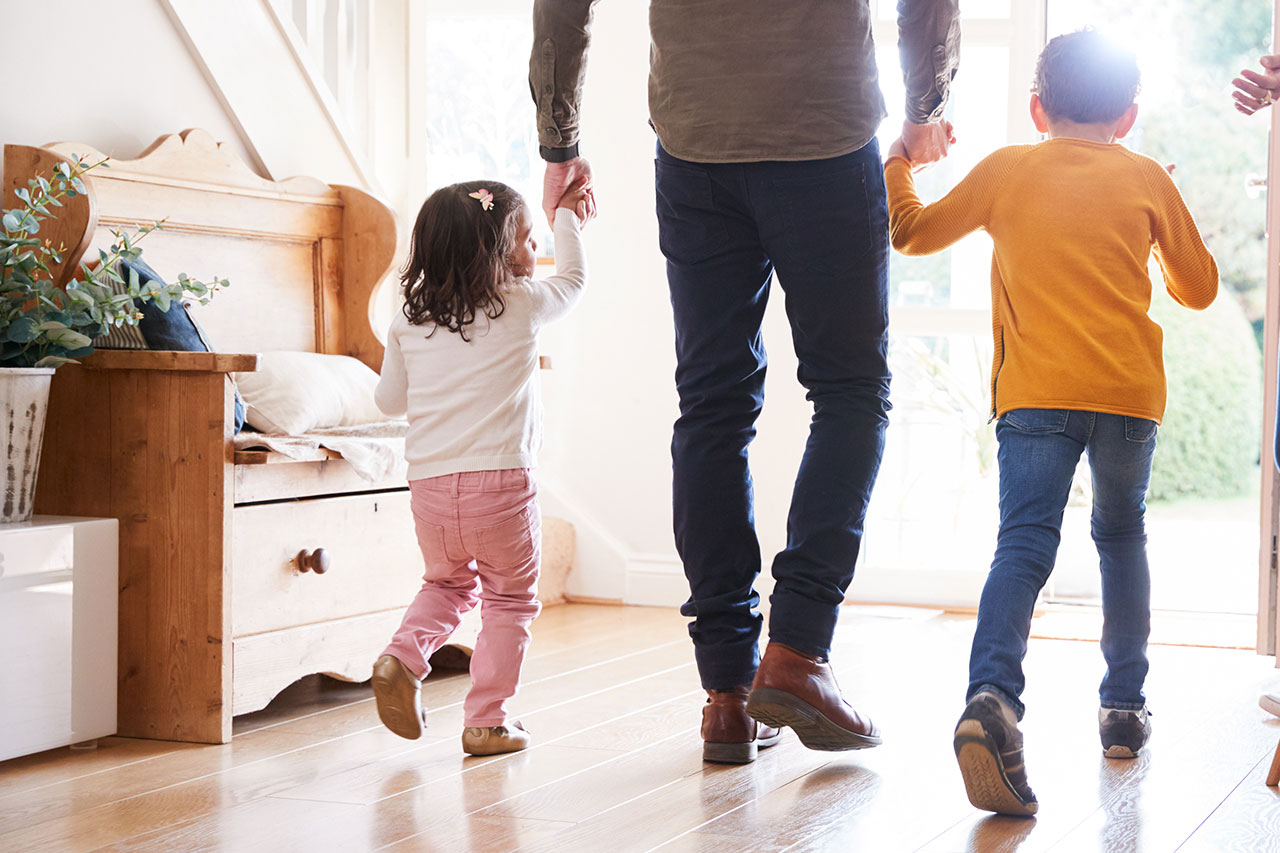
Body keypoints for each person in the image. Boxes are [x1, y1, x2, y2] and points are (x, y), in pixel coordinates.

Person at [531, 1, 960, 765]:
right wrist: (926, 104)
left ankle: (726, 692)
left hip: (697, 136)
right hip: (822, 131)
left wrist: (558, 140)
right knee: (851, 391)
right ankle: (797, 652)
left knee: (712, 405)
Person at [885, 29, 1218, 815]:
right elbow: (1199, 288)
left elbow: (912, 232)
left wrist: (898, 162)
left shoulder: (1008, 168)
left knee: (1024, 544)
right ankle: (1123, 709)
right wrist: (1156, 233)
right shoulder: (1145, 177)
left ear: (1038, 108)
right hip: (1128, 396)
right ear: (1127, 117)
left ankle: (992, 698)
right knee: (1121, 538)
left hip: (1035, 396)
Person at [369, 179, 592, 756]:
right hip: (501, 486)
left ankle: (402, 657)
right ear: (493, 252)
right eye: (526, 239)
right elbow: (573, 281)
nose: (533, 250)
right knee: (509, 600)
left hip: (430, 486)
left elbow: (388, 403)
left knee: (446, 585)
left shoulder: (408, 320)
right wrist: (567, 219)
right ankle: (487, 721)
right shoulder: (522, 304)